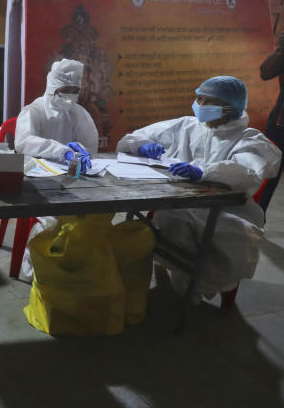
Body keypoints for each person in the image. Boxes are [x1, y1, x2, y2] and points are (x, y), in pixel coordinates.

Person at [117, 76, 282, 300]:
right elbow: (133, 138)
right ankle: (185, 286)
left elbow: (248, 170)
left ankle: (199, 287)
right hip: (178, 202)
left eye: (207, 101)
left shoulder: (248, 138)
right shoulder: (186, 126)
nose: (199, 105)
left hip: (227, 211)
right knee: (171, 226)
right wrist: (143, 145)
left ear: (228, 108)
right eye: (199, 98)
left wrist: (205, 172)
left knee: (227, 243)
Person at [15, 58, 99, 174]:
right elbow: (24, 142)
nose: (70, 95)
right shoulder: (34, 110)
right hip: (35, 170)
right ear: (52, 88)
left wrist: (82, 152)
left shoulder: (79, 113)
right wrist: (62, 152)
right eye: (66, 90)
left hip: (68, 171)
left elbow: (90, 145)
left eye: (75, 91)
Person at [259, 31, 284, 205]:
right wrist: (281, 49)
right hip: (280, 124)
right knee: (268, 174)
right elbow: (266, 72)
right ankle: (256, 220)